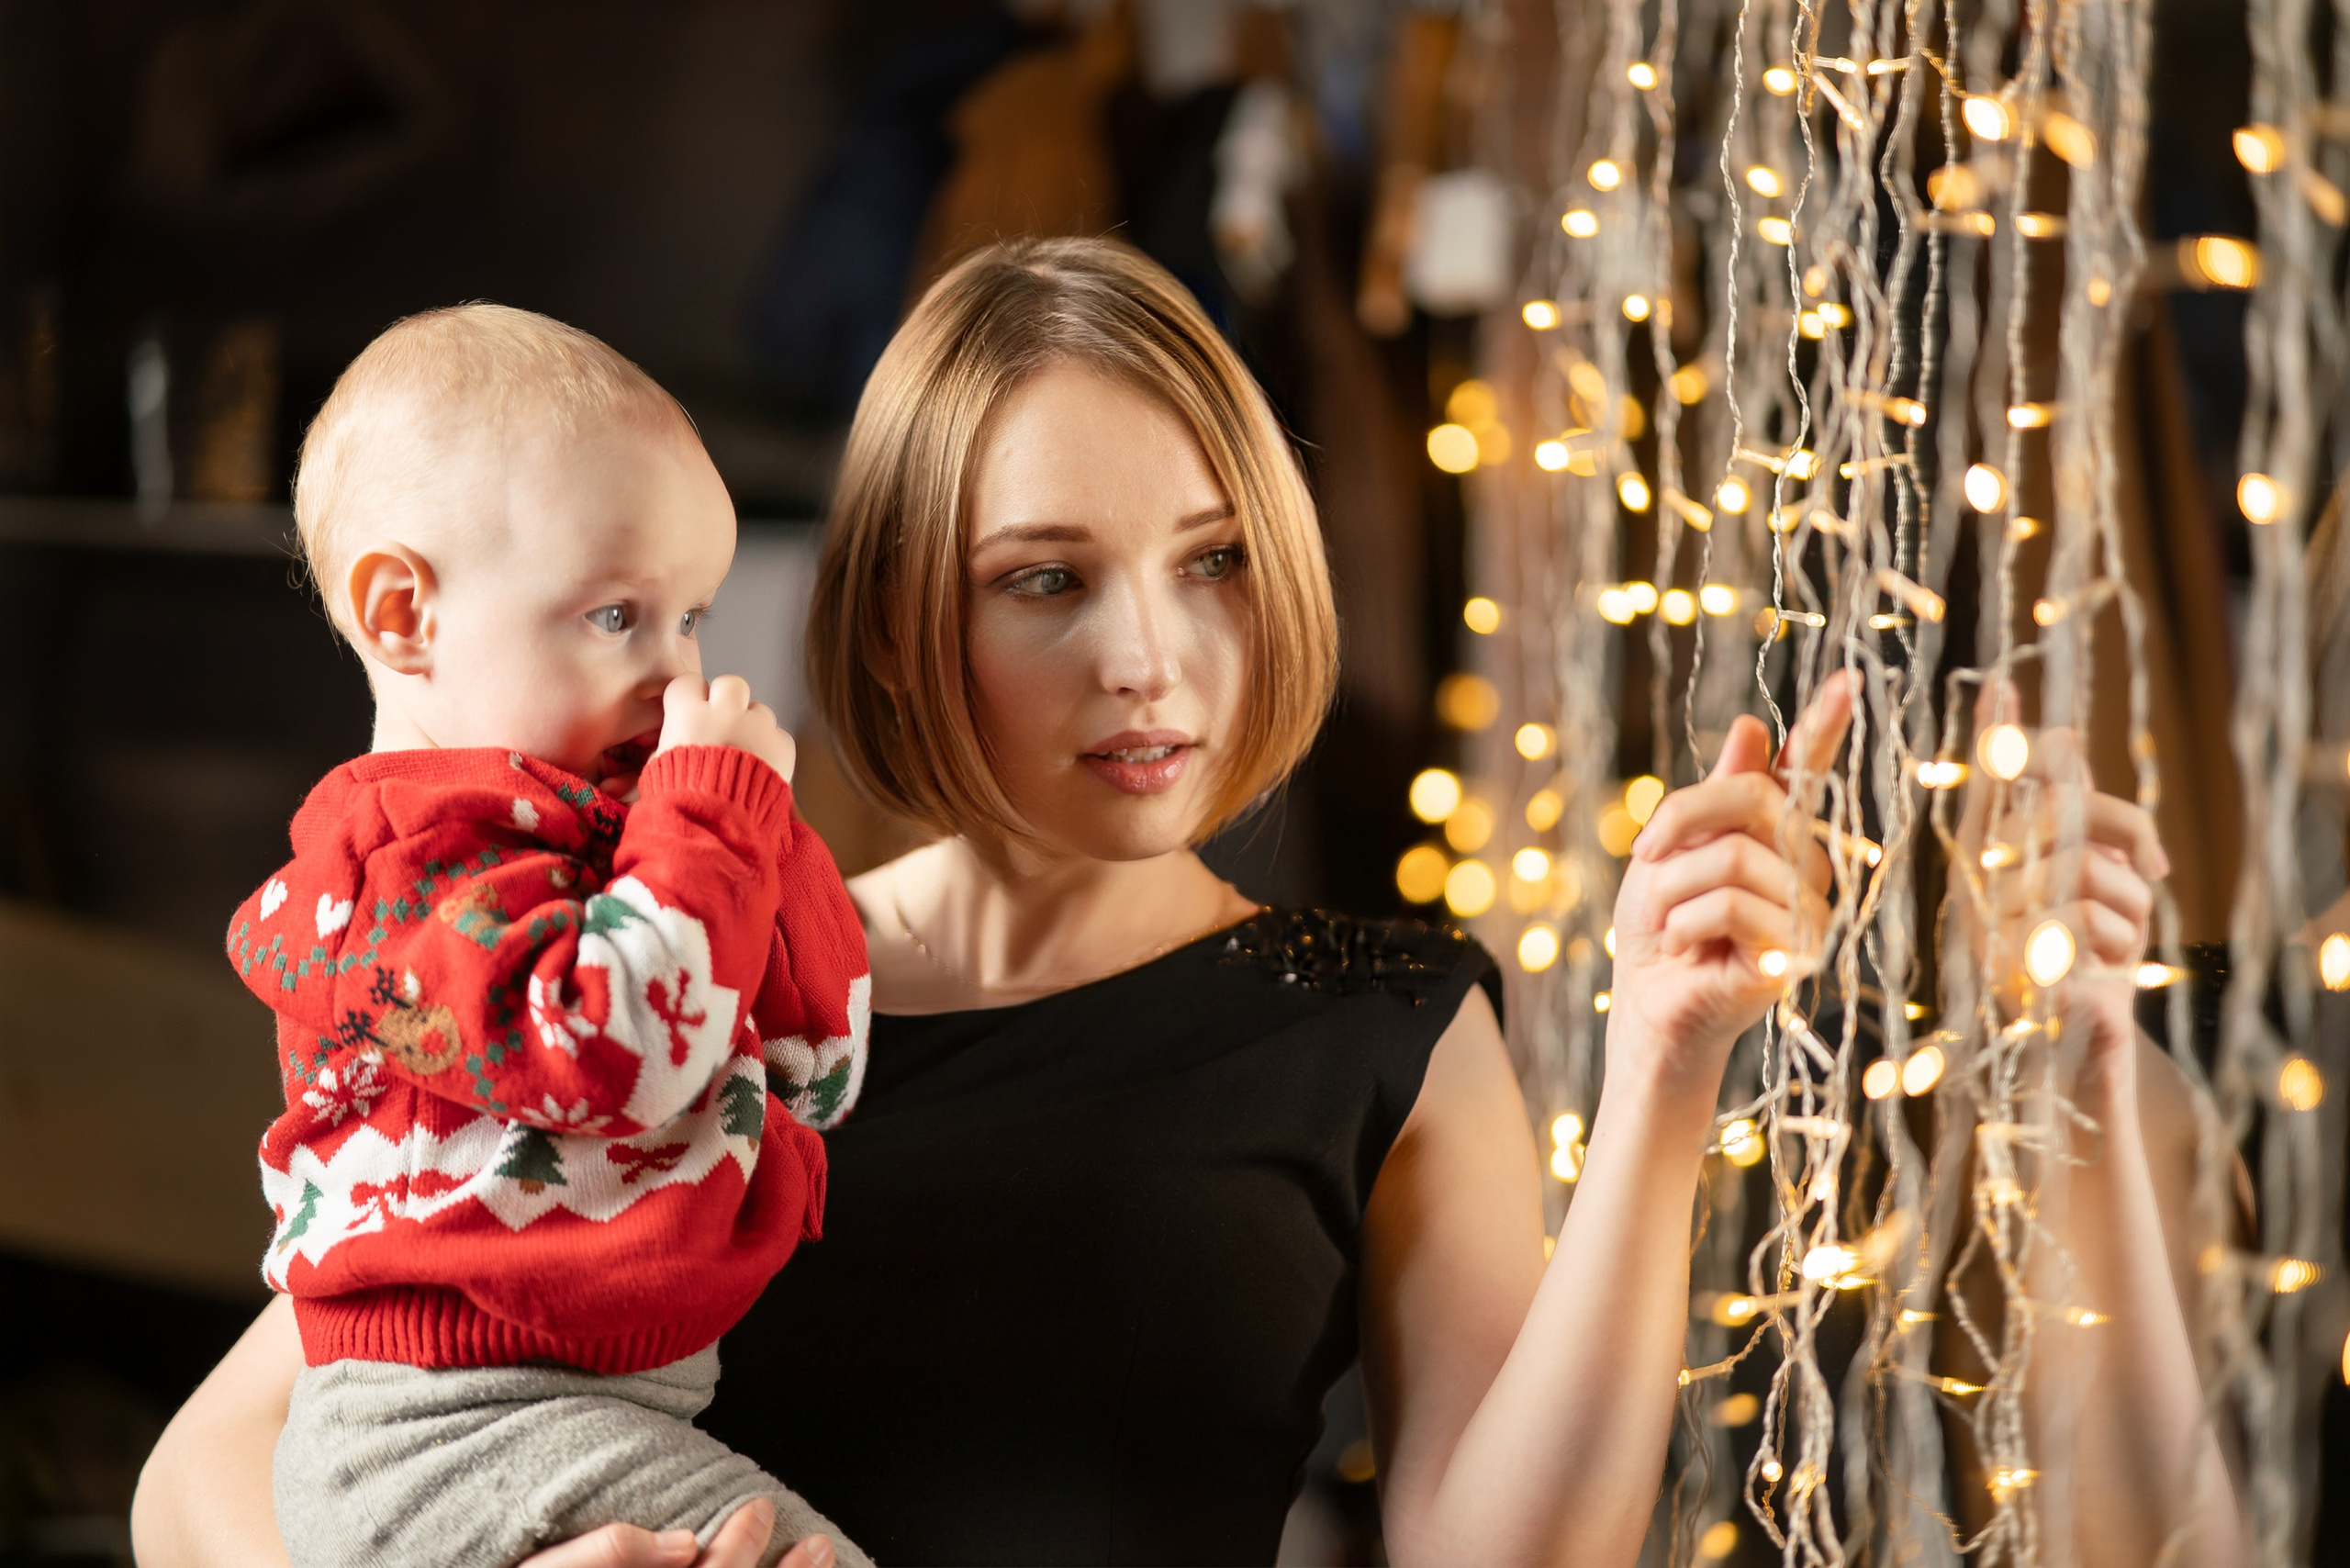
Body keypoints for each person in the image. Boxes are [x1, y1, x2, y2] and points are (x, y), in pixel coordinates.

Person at [134, 241, 2236, 1568]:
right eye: (1043, 578)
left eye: (1212, 560)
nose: (1150, 656)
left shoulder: (1381, 1018)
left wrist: (1671, 1063)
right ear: (897, 612)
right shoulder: (692, 986)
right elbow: (212, 1477)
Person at [204, 304, 876, 1568]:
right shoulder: (397, 865)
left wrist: (768, 844)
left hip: (573, 1409)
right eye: (618, 616)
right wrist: (711, 826)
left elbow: (816, 1073)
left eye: (695, 619)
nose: (674, 675)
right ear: (403, 612)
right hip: (447, 1430)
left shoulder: (613, 854)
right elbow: (612, 1059)